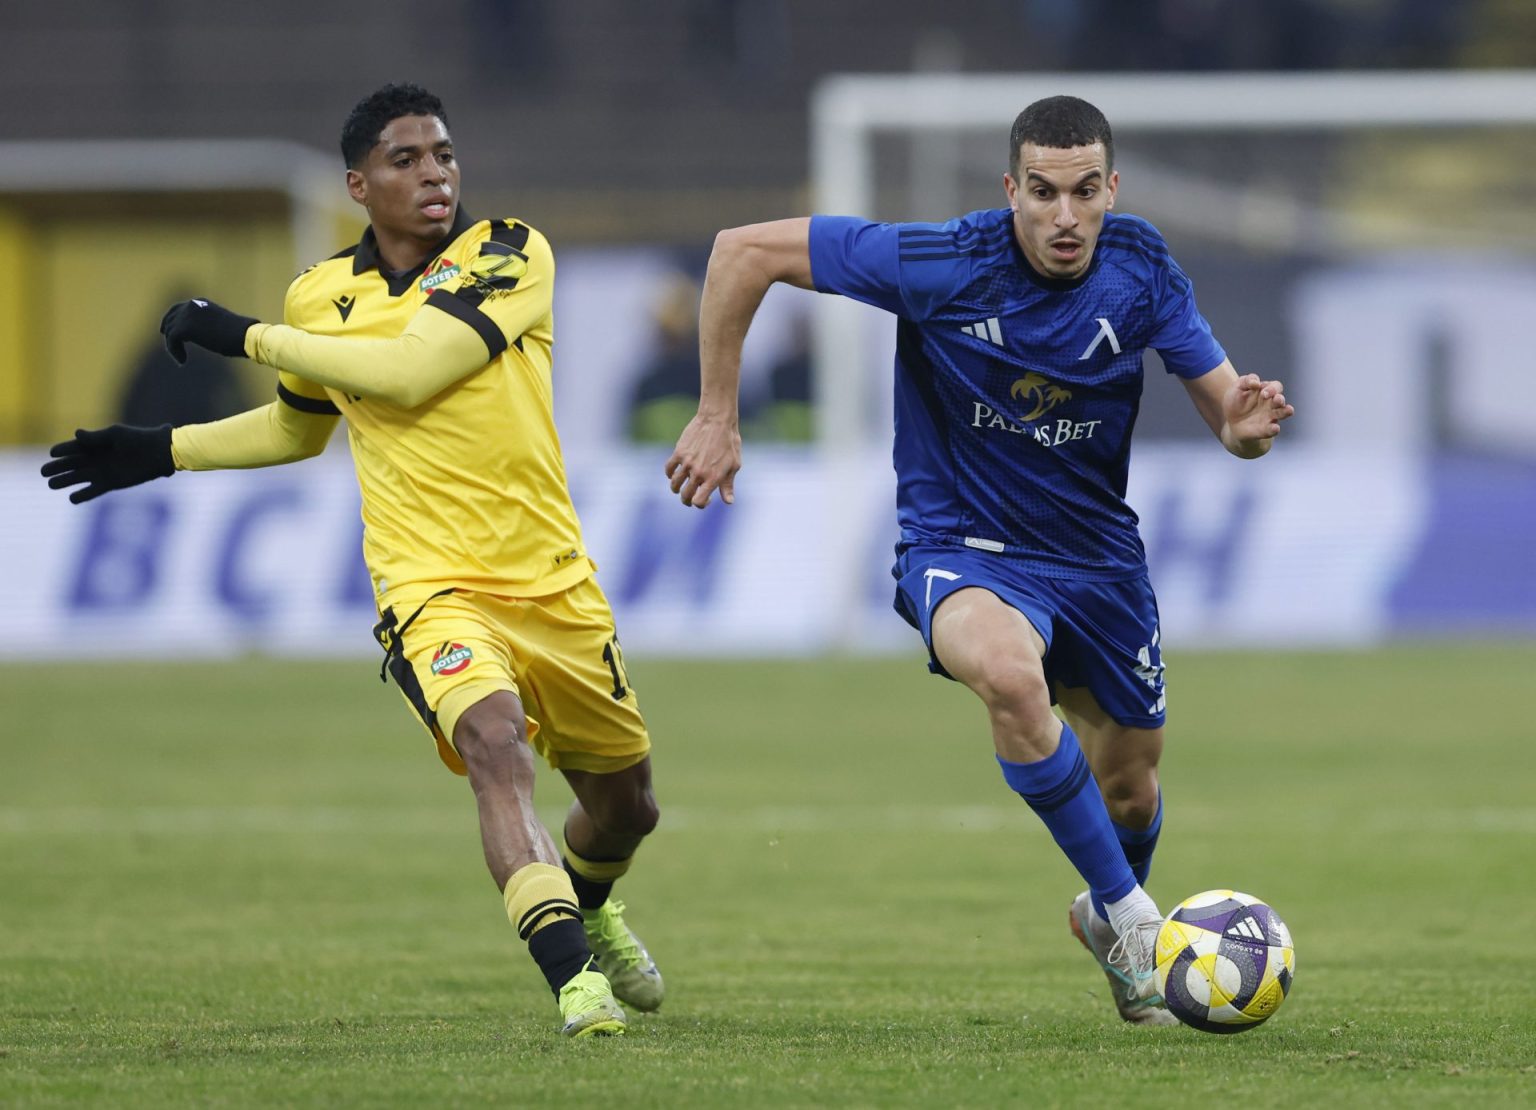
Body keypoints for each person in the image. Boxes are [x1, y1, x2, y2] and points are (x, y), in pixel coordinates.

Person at [42, 83, 663, 1039]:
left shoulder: (507, 250)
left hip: (553, 582)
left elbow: (411, 371)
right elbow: (298, 430)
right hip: (429, 585)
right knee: (495, 750)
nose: (435, 174)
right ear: (358, 186)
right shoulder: (317, 298)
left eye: (443, 155)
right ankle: (575, 982)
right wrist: (164, 449)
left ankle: (590, 903)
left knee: (626, 808)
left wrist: (239, 334)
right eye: (406, 160)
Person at [665, 95, 1293, 1024]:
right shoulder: (944, 262)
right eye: (1043, 192)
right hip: (962, 546)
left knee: (1131, 788)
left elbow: (1230, 421)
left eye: (1085, 191)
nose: (1065, 216)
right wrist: (718, 413)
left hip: (1098, 560)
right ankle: (1132, 916)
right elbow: (740, 252)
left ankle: (1104, 910)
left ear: (1112, 189)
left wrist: (1247, 430)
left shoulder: (1141, 266)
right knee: (1007, 673)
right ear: (1011, 190)